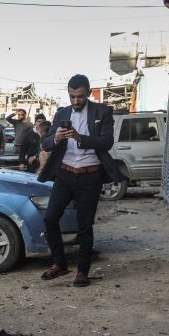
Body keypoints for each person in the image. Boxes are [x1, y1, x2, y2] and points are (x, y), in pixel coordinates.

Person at [38, 74, 125, 287]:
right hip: (65, 174)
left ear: (88, 93)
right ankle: (59, 263)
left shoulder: (103, 112)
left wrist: (79, 138)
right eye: (72, 96)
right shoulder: (61, 113)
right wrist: (57, 137)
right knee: (50, 218)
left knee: (85, 225)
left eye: (80, 96)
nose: (76, 101)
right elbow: (46, 143)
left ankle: (82, 272)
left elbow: (106, 142)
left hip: (90, 175)